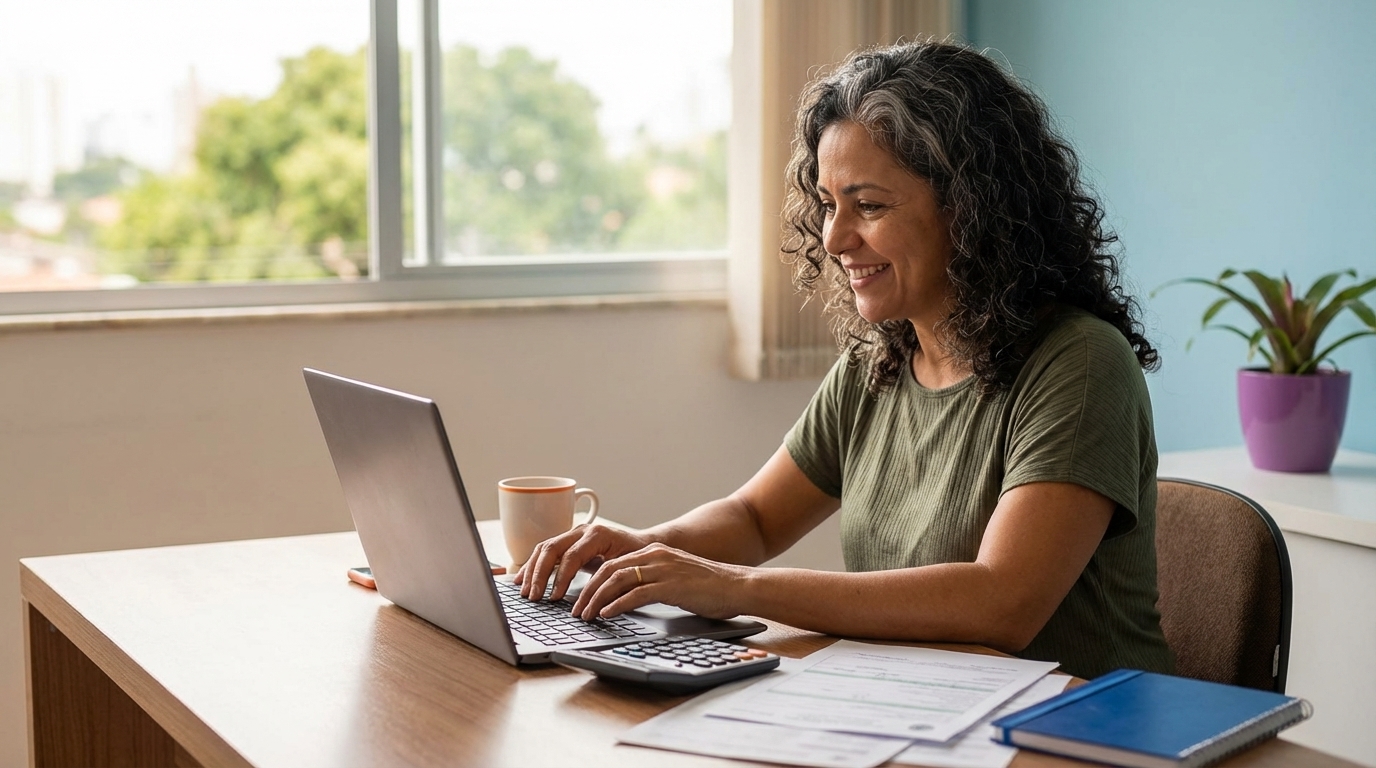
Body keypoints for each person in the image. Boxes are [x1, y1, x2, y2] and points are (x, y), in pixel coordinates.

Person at [516, 40, 1172, 680]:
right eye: (829, 205)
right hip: (911, 709)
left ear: (973, 210)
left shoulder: (1081, 364)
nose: (833, 237)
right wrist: (637, 550)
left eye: (869, 206)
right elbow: (754, 518)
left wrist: (735, 587)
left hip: (1073, 734)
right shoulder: (879, 364)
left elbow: (1001, 603)